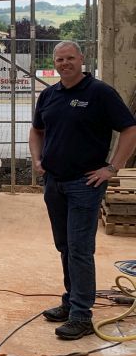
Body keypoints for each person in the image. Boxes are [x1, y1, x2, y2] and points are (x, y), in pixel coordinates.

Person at [29, 41, 136, 340]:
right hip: (54, 182)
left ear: (81, 59)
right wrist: (37, 158)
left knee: (79, 248)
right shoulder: (49, 95)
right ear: (54, 63)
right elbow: (37, 130)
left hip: (84, 184)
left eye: (70, 58)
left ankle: (81, 315)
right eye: (59, 59)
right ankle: (71, 301)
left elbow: (130, 129)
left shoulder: (99, 93)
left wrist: (112, 167)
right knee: (64, 246)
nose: (65, 63)